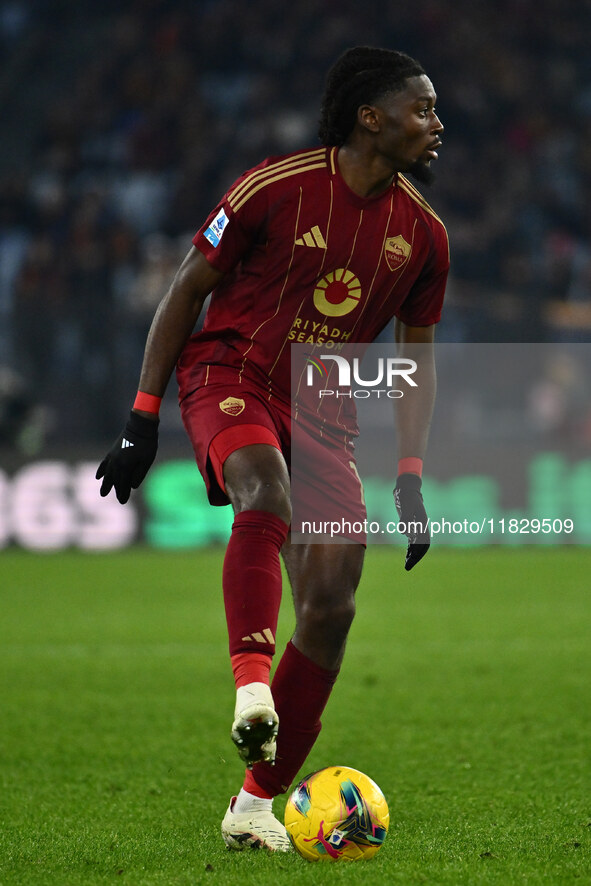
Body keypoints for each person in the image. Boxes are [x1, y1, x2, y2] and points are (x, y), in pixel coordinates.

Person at [96, 45, 448, 851]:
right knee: (263, 490)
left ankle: (254, 806)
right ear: (370, 117)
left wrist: (410, 474)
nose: (436, 124)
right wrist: (141, 419)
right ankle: (251, 691)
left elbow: (416, 358)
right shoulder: (276, 186)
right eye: (421, 108)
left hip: (325, 409)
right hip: (231, 369)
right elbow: (187, 287)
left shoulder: (424, 235)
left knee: (331, 606)